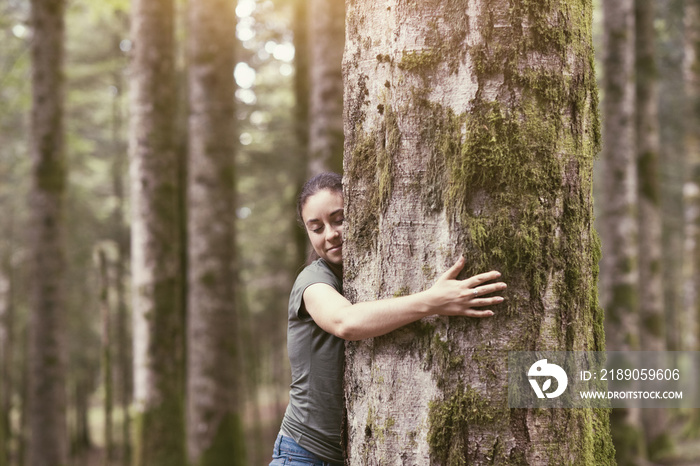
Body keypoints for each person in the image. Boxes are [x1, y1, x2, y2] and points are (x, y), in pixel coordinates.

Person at [270, 172, 507, 466]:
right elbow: (346, 323)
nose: (330, 234)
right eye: (317, 228)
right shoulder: (312, 281)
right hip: (303, 454)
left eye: (339, 219)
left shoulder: (360, 276)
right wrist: (434, 300)